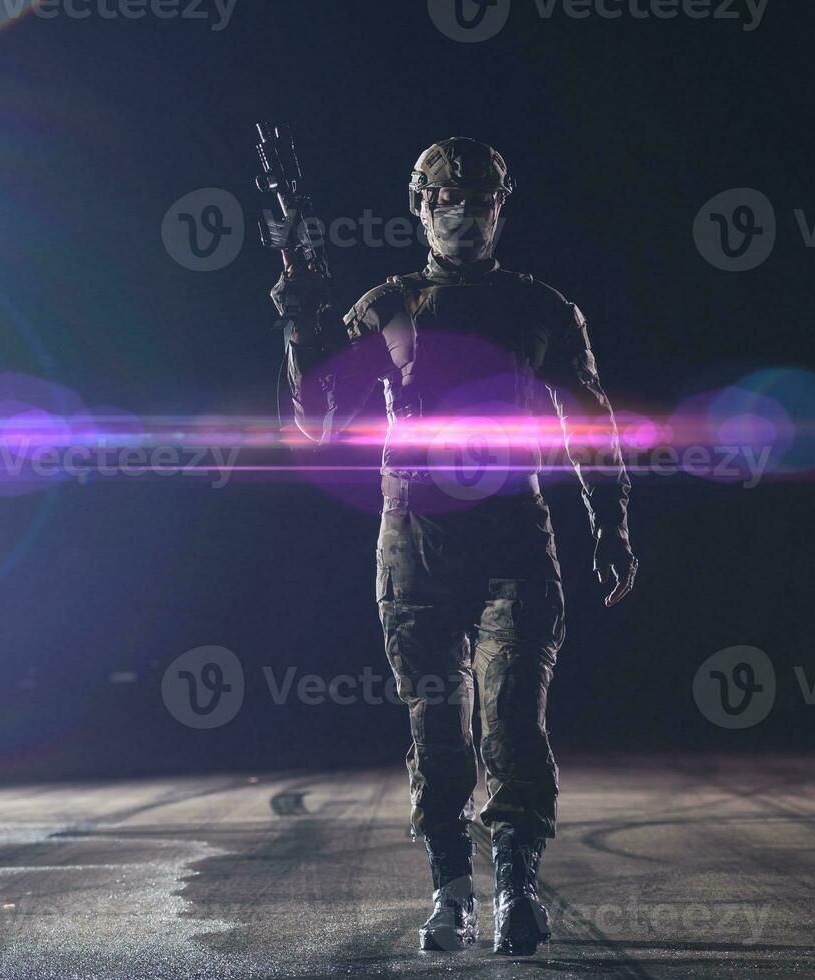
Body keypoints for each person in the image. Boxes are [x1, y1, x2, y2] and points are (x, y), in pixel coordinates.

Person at [268, 137, 637, 956]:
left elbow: (591, 423)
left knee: (511, 717)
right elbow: (315, 421)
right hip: (417, 544)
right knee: (437, 723)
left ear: (500, 209)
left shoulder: (541, 310)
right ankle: (449, 889)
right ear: (420, 208)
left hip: (513, 533)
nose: (460, 219)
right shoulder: (386, 307)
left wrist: (608, 520)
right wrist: (301, 325)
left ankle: (515, 886)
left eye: (476, 205)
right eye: (445, 204)